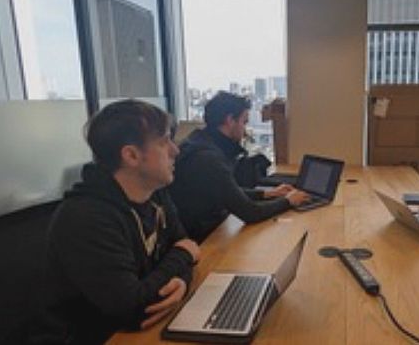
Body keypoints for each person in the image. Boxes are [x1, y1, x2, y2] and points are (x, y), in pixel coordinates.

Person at [39, 100, 200, 344]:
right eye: (164, 141)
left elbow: (186, 246)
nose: (175, 150)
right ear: (131, 155)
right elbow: (133, 310)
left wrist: (182, 282)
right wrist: (182, 257)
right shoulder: (85, 218)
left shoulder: (154, 193)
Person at [170, 91, 309, 242]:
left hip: (205, 229)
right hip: (201, 240)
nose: (245, 130)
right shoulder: (208, 158)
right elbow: (250, 213)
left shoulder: (198, 141)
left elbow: (227, 191)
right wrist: (288, 201)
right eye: (244, 122)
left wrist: (267, 194)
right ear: (230, 120)